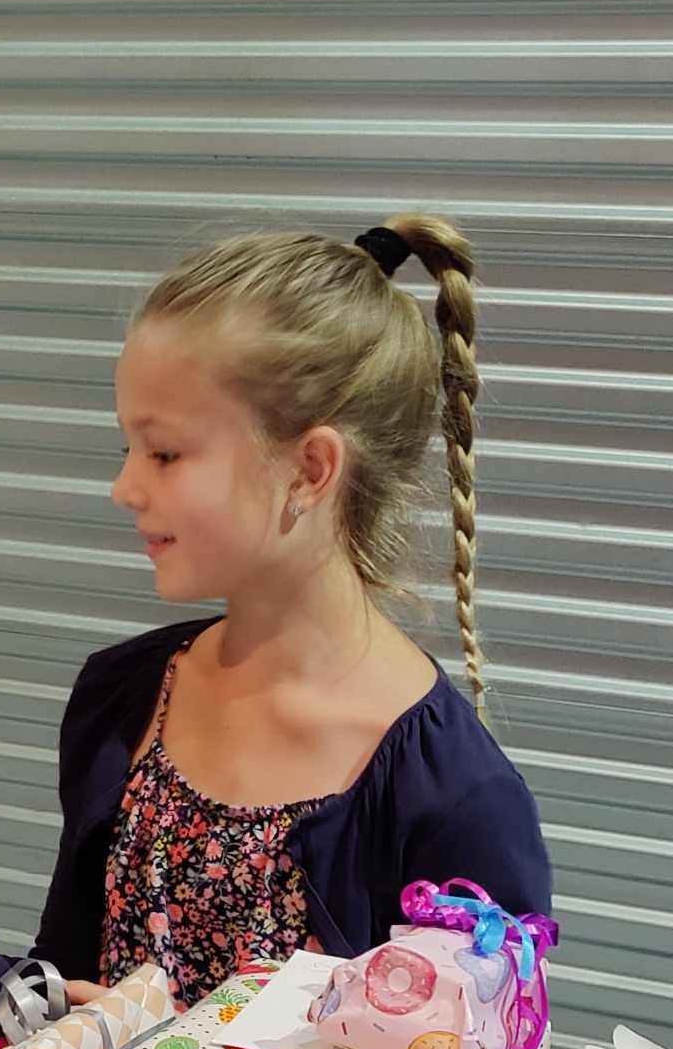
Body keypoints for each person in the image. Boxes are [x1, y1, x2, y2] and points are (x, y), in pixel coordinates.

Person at [33, 220, 552, 1003]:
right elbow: (65, 978)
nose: (125, 488)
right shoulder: (121, 701)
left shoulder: (453, 797)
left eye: (165, 453)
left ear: (310, 469)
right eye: (126, 450)